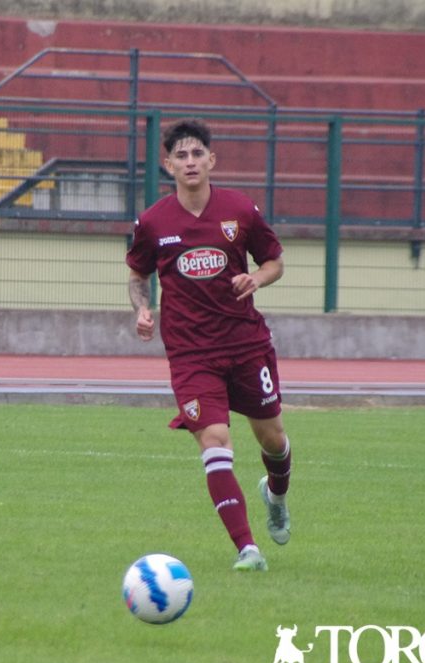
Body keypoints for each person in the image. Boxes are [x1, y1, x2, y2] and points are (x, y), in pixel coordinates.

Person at [126, 119, 293, 572]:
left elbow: (275, 261)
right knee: (215, 441)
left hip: (246, 344)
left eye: (197, 154)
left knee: (272, 439)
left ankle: (276, 496)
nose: (190, 161)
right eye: (180, 155)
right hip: (191, 355)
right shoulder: (153, 222)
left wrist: (256, 277)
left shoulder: (239, 210)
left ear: (211, 160)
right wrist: (142, 309)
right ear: (168, 165)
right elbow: (138, 277)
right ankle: (247, 549)